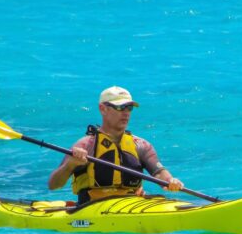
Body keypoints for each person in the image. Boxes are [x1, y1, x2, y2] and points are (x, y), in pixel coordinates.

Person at [48, 86, 184, 204]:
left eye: (129, 108)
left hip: (131, 205)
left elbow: (159, 172)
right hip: (92, 208)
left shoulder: (141, 145)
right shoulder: (85, 145)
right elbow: (54, 185)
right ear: (103, 109)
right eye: (120, 107)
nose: (126, 113)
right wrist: (70, 165)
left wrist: (170, 180)